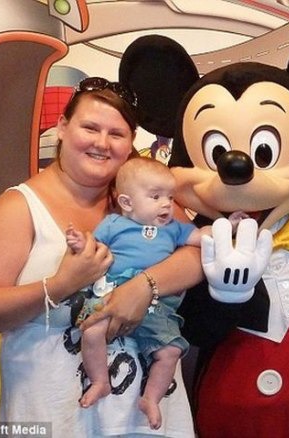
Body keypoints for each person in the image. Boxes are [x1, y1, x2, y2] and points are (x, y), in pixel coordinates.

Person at [0, 77, 201, 437]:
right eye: (90, 127)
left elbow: (196, 254)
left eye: (116, 134)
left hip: (145, 421)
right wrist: (62, 284)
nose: (101, 143)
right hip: (55, 415)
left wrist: (143, 286)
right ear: (62, 127)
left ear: (131, 143)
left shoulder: (145, 199)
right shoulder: (19, 206)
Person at [66, 157, 221, 430]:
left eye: (170, 197)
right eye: (156, 197)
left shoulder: (173, 229)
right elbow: (94, 249)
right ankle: (100, 381)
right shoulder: (113, 224)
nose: (166, 204)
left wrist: (223, 227)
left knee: (171, 351)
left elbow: (200, 238)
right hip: (111, 294)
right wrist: (81, 242)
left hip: (157, 305)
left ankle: (151, 398)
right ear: (127, 203)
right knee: (91, 332)